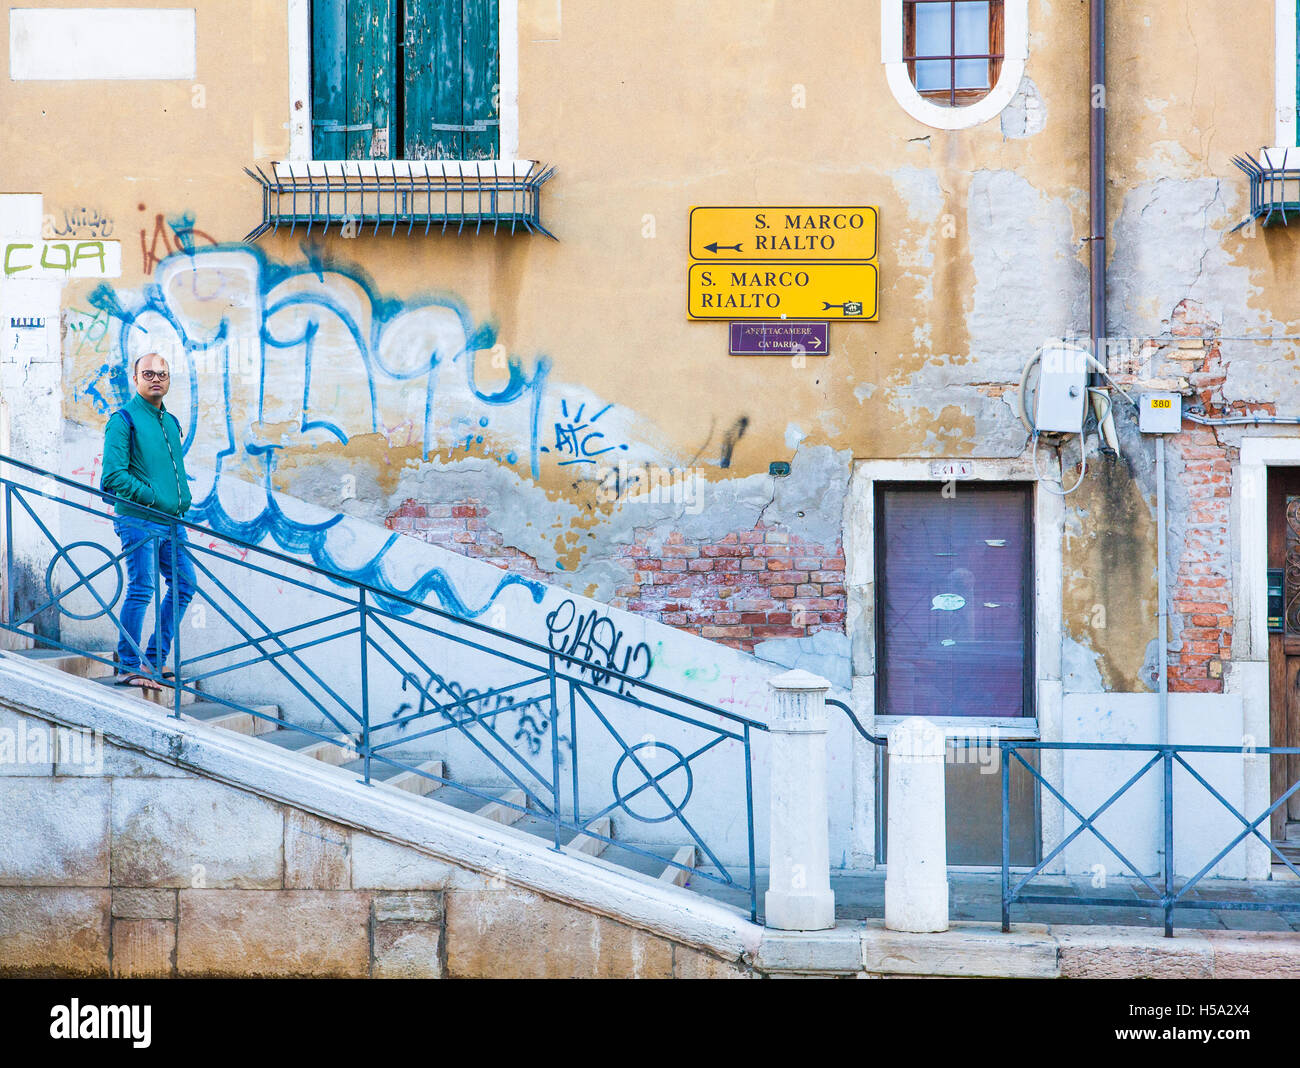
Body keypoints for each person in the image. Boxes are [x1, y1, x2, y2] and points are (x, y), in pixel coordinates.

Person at [100, 352, 196, 691]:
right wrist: (155, 498)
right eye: (149, 373)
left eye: (163, 374)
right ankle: (128, 664)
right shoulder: (122, 419)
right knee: (141, 589)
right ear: (135, 378)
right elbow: (113, 476)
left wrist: (177, 503)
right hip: (139, 520)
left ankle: (153, 658)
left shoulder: (169, 422)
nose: (156, 379)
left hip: (173, 522)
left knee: (185, 585)